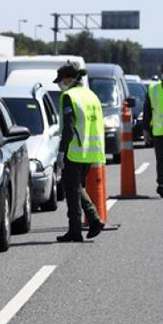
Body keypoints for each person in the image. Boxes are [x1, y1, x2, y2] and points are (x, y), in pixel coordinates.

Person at [53, 61, 106, 241]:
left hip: (74, 151)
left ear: (69, 78)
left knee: (71, 191)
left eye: (61, 80)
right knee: (76, 188)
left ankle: (76, 231)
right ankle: (94, 220)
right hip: (90, 152)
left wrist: (61, 152)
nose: (60, 83)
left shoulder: (70, 96)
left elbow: (68, 128)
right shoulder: (91, 95)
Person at [143, 62, 163, 198]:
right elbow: (147, 112)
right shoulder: (153, 89)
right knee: (162, 160)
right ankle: (162, 185)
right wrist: (146, 130)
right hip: (159, 132)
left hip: (160, 132)